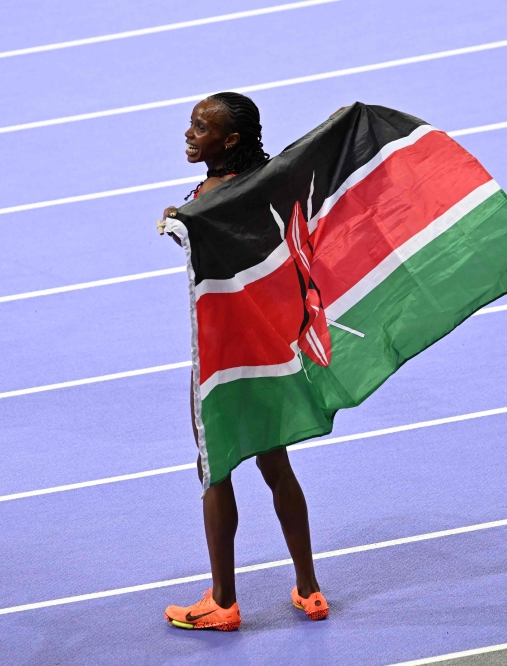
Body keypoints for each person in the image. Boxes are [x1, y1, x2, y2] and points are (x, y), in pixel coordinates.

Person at [157, 92, 327, 632]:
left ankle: (224, 602)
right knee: (276, 466)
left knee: (216, 470)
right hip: (270, 346)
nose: (189, 133)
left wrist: (178, 224)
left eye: (201, 128)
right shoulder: (260, 184)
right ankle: (310, 590)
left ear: (229, 140)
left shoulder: (207, 203)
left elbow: (202, 232)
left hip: (223, 359)